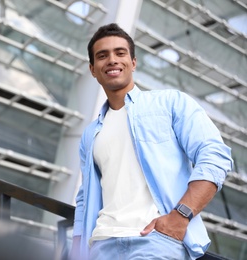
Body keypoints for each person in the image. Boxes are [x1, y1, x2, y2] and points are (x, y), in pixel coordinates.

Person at [70, 23, 233, 260]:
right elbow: (85, 196)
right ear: (93, 69)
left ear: (133, 63)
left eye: (120, 53)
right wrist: (77, 249)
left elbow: (214, 154)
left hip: (155, 241)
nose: (112, 60)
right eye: (102, 56)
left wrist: (181, 216)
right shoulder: (90, 134)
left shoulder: (170, 103)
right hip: (101, 246)